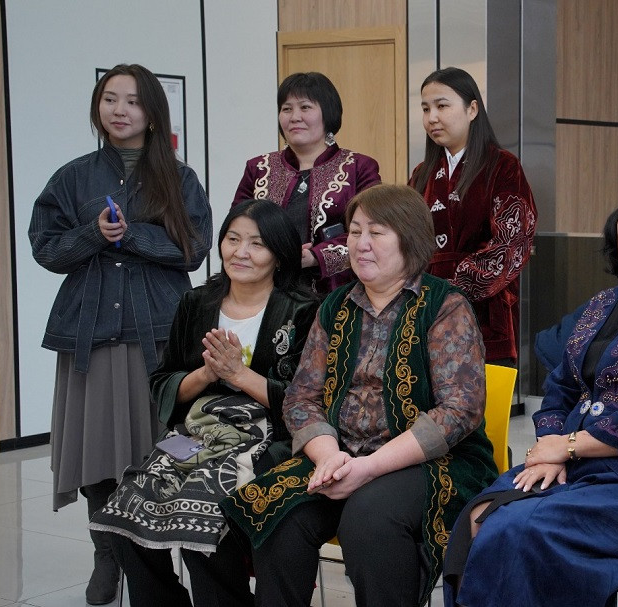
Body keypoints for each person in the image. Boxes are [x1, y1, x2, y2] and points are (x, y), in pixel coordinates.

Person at [442, 171, 618, 607]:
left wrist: (570, 446)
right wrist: (551, 446)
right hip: (576, 461)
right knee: (477, 519)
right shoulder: (604, 302)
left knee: (517, 530)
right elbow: (560, 384)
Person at [220, 184, 498, 607]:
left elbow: (460, 410)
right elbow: (301, 398)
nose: (360, 244)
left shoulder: (445, 306)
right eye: (354, 232)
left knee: (369, 519)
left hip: (431, 461)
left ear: (410, 240)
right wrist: (328, 457)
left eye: (376, 232)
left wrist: (368, 468)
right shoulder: (335, 306)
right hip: (340, 455)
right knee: (277, 513)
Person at [28, 63, 211, 605]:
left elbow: (194, 249)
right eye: (110, 99)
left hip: (160, 332)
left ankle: (159, 556)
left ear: (152, 113)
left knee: (167, 447)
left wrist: (130, 236)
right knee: (98, 451)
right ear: (97, 107)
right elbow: (45, 248)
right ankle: (107, 554)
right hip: (92, 333)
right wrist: (92, 234)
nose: (120, 110)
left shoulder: (180, 178)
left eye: (132, 100)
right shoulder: (72, 177)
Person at [87, 199, 318, 607]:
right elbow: (163, 383)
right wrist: (206, 374)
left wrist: (239, 375)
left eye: (257, 244)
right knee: (126, 509)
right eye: (233, 239)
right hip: (197, 433)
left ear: (280, 255)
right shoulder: (196, 303)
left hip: (267, 437)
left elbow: (307, 402)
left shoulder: (304, 311)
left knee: (203, 512)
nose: (241, 252)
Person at [409, 66, 537, 365]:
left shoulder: (502, 166)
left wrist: (454, 289)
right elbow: (407, 239)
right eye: (426, 109)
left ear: (472, 109)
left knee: (480, 392)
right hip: (425, 311)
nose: (432, 117)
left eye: (442, 106)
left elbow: (513, 242)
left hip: (485, 312)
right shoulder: (421, 173)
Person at [234, 71, 381, 293]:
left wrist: (314, 256)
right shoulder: (258, 167)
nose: (294, 117)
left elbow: (372, 231)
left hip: (335, 292)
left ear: (328, 114)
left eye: (305, 107)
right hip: (266, 289)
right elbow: (236, 228)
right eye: (286, 109)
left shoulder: (359, 167)